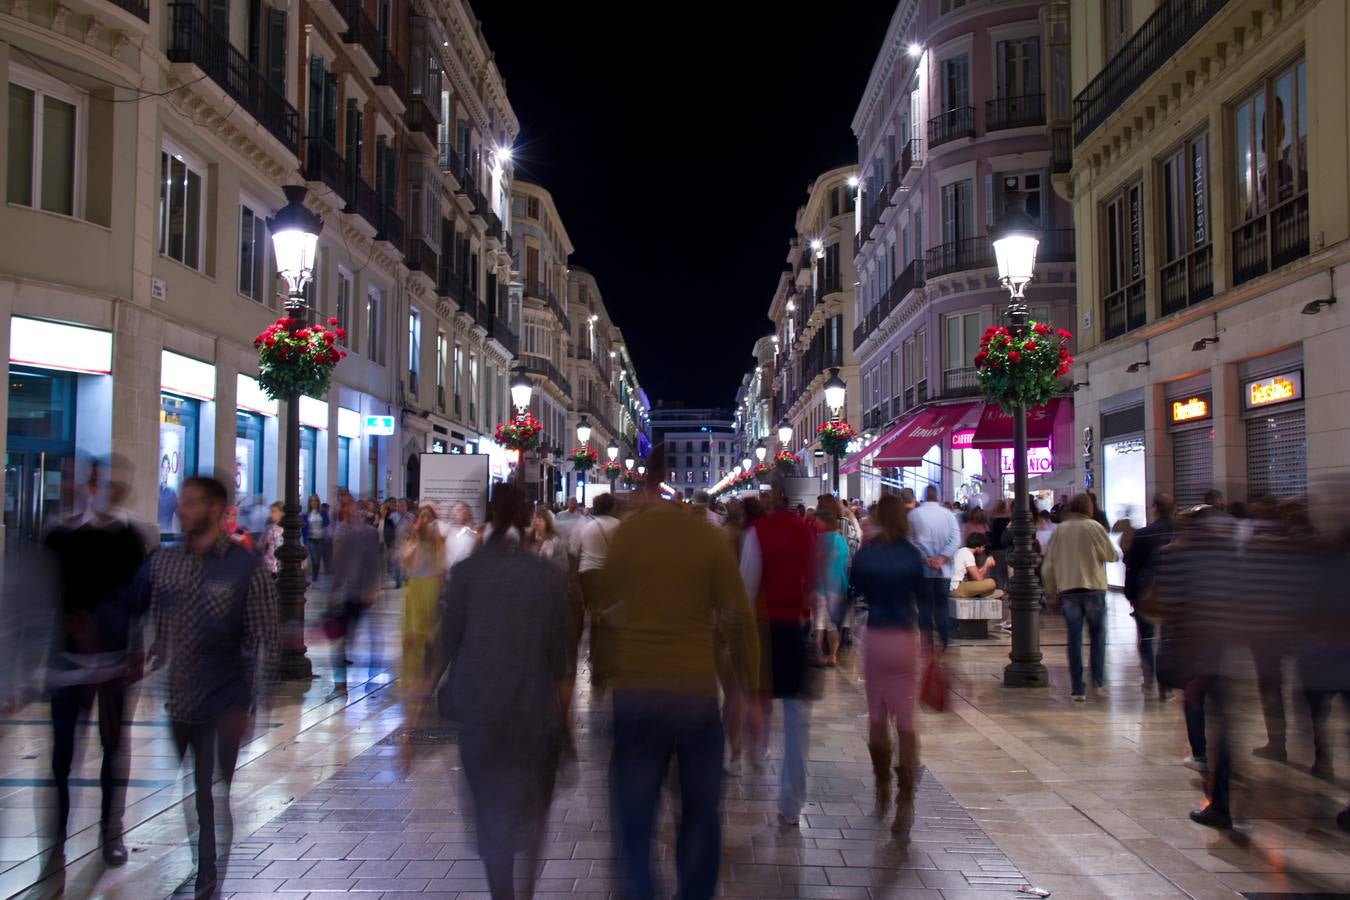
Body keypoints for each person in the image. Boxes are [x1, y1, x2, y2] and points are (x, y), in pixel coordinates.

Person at [600, 448, 759, 900]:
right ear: (672, 482)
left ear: (643, 482)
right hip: (694, 694)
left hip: (636, 692)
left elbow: (604, 609)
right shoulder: (705, 539)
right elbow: (738, 618)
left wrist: (605, 672)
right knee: (700, 813)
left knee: (634, 814)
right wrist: (748, 691)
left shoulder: (627, 538)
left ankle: (640, 891)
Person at [138, 476, 277, 897]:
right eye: (182, 502)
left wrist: (254, 704)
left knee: (210, 788)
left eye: (193, 503)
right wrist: (148, 654)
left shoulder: (244, 567)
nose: (182, 509)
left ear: (217, 509)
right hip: (180, 695)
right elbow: (148, 613)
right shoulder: (164, 562)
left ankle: (209, 875)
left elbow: (264, 638)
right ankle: (204, 861)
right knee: (192, 787)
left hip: (227, 696)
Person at [439, 483, 570, 900]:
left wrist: (413, 714)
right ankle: (525, 890)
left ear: (489, 515)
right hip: (533, 712)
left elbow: (445, 644)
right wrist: (564, 721)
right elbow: (561, 658)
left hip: (480, 709)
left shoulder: (466, 573)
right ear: (523, 517)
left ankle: (503, 894)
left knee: (490, 812)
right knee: (531, 811)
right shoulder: (546, 576)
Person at [43, 458, 149, 866]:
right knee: (62, 755)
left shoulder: (126, 536)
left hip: (113, 661)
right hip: (66, 661)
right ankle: (57, 839)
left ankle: (111, 830)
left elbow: (140, 598)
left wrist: (136, 647)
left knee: (113, 747)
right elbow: (43, 599)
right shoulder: (57, 536)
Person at [849, 494, 929, 837]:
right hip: (905, 639)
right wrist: (935, 643)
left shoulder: (867, 554)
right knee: (907, 720)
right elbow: (925, 602)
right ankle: (906, 797)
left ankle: (882, 784)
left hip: (877, 638)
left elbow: (854, 592)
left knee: (878, 716)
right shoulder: (913, 555)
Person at [741, 477, 815, 825]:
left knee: (761, 695)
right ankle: (792, 800)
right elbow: (814, 580)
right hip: (797, 628)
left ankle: (757, 750)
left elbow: (748, 582)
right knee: (797, 718)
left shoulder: (758, 531)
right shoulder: (804, 531)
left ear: (775, 497)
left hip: (766, 627)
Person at [1041, 493, 1118, 701]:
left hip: (1069, 590)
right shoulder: (1095, 527)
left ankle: (1077, 688)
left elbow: (1049, 565)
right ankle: (1098, 681)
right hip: (1093, 588)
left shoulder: (1060, 530)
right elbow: (1112, 555)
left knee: (1073, 639)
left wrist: (1050, 591)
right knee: (1098, 636)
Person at [1122, 494, 1175, 701]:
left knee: (1146, 637)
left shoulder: (1144, 533)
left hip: (1147, 593)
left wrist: (1130, 592)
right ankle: (1167, 685)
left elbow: (1132, 565)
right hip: (1175, 593)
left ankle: (1149, 678)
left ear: (1155, 508)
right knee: (1168, 640)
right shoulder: (1181, 532)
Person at [328, 496, 383, 689]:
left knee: (371, 634)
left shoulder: (368, 533)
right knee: (343, 637)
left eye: (350, 507)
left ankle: (373, 676)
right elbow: (337, 565)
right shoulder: (339, 532)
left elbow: (374, 561)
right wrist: (334, 591)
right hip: (346, 591)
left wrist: (374, 585)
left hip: (363, 589)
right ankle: (340, 682)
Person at [398, 504, 447, 697]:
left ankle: (427, 677)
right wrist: (416, 538)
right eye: (422, 516)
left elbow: (440, 564)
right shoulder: (412, 539)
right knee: (410, 635)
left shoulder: (437, 540)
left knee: (427, 632)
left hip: (430, 586)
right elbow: (408, 563)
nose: (424, 520)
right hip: (414, 587)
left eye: (428, 517)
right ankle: (411, 677)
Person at [907, 485, 961, 649]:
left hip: (923, 569)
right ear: (937, 496)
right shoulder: (948, 515)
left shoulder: (914, 515)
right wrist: (942, 558)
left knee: (924, 606)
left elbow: (910, 540)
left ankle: (927, 642)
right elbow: (955, 539)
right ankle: (944, 639)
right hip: (943, 570)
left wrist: (926, 559)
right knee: (942, 605)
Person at [577, 493, 621, 686]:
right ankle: (604, 663)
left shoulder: (587, 526)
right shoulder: (617, 525)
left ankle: (596, 660)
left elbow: (574, 549)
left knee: (595, 619)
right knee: (607, 621)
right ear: (611, 506)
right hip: (606, 575)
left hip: (586, 574)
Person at [811, 505, 849, 667]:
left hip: (821, 588)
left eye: (817, 521)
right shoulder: (841, 540)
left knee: (819, 626)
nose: (814, 524)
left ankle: (819, 655)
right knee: (833, 626)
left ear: (825, 522)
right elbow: (846, 563)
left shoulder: (821, 540)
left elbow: (814, 563)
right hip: (838, 587)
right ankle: (833, 655)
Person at [950, 532, 999, 597]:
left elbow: (972, 578)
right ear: (978, 547)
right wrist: (987, 565)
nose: (984, 549)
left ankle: (981, 594)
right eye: (983, 547)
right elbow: (979, 579)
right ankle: (982, 594)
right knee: (991, 583)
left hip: (955, 587)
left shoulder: (962, 551)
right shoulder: (967, 554)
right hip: (957, 588)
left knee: (992, 588)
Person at [530, 506, 569, 572]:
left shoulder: (556, 541)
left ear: (546, 521)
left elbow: (564, 566)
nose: (536, 521)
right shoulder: (530, 538)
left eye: (539, 518)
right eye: (534, 518)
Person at [301, 495, 329, 580]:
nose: (313, 502)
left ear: (318, 502)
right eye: (312, 501)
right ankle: (314, 578)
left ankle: (315, 577)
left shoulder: (322, 513)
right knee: (314, 559)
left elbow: (327, 523)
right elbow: (303, 528)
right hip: (311, 539)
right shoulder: (306, 514)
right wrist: (305, 539)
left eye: (315, 501)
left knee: (318, 559)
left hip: (320, 538)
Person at [260, 501, 284, 576]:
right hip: (269, 565)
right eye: (271, 512)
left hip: (282, 564)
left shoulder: (286, 529)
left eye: (274, 511)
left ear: (281, 513)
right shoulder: (269, 528)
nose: (271, 514)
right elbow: (262, 545)